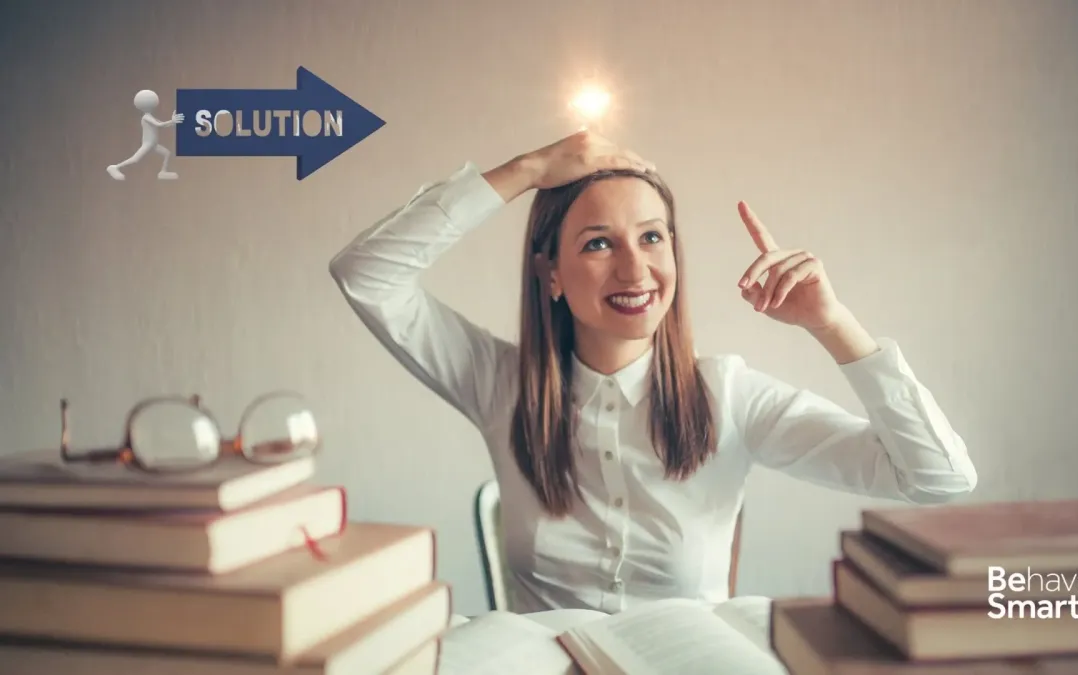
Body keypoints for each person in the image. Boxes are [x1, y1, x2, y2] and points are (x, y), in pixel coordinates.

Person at [329, 131, 977, 615]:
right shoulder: (499, 382)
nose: (636, 272)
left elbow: (937, 477)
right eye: (598, 242)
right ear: (549, 271)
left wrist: (832, 323)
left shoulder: (730, 395)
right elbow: (366, 275)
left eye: (652, 237)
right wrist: (525, 170)